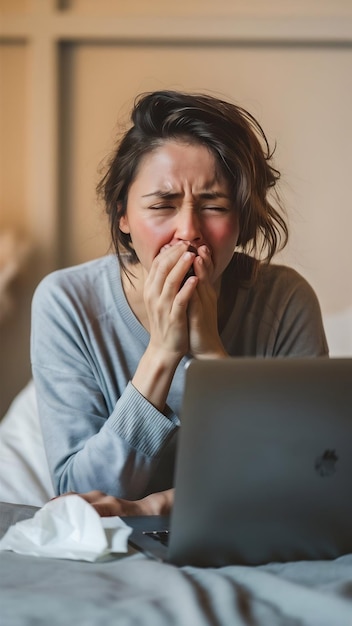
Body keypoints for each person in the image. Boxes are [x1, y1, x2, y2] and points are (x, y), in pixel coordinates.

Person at [31, 89, 328, 517]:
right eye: (162, 205)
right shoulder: (67, 303)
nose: (188, 231)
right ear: (123, 215)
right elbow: (81, 501)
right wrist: (162, 353)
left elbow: (305, 479)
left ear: (241, 220)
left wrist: (209, 352)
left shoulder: (285, 302)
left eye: (214, 205)